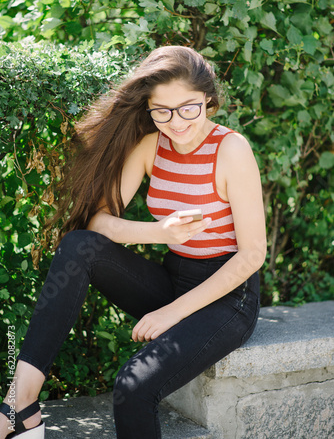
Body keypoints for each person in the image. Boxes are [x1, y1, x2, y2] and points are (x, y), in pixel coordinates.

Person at [0, 45, 266, 439]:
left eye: (189, 107)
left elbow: (252, 256)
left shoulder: (231, 150)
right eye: (162, 111)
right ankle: (19, 406)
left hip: (228, 298)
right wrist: (159, 233)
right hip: (175, 277)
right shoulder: (150, 147)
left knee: (132, 387)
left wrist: (171, 313)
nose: (176, 123)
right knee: (79, 245)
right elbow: (99, 222)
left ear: (208, 99)